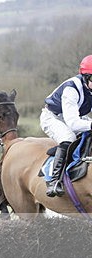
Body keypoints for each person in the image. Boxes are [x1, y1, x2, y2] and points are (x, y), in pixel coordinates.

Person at [40, 55, 92, 197]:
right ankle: (54, 180)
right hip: (53, 117)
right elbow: (73, 124)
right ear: (85, 77)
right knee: (68, 137)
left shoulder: (89, 87)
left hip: (75, 116)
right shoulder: (72, 89)